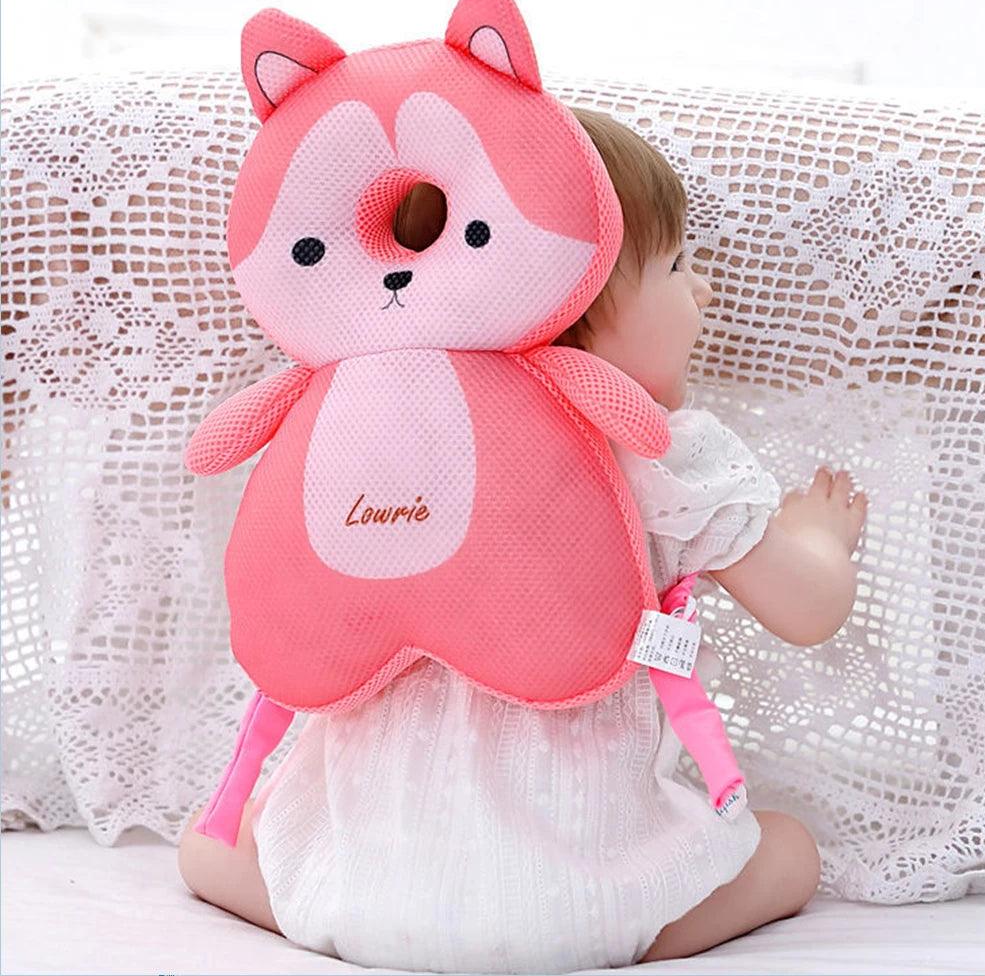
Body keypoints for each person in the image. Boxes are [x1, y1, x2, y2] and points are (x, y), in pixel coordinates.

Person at [178, 106, 867, 972]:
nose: (702, 294)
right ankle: (614, 924)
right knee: (790, 851)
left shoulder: (378, 439)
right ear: (568, 301)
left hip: (355, 891)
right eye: (676, 266)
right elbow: (808, 609)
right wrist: (818, 538)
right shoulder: (663, 453)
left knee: (203, 844)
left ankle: (373, 909)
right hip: (582, 902)